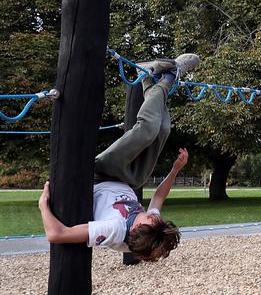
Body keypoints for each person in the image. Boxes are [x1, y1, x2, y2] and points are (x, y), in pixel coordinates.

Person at [38, 54, 200, 261]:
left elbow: (56, 234)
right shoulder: (151, 229)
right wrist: (176, 169)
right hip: (129, 179)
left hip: (102, 173)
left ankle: (170, 76)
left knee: (148, 129)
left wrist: (43, 204)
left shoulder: (113, 229)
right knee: (162, 130)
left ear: (137, 229)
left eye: (151, 220)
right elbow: (159, 197)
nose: (155, 217)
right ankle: (147, 75)